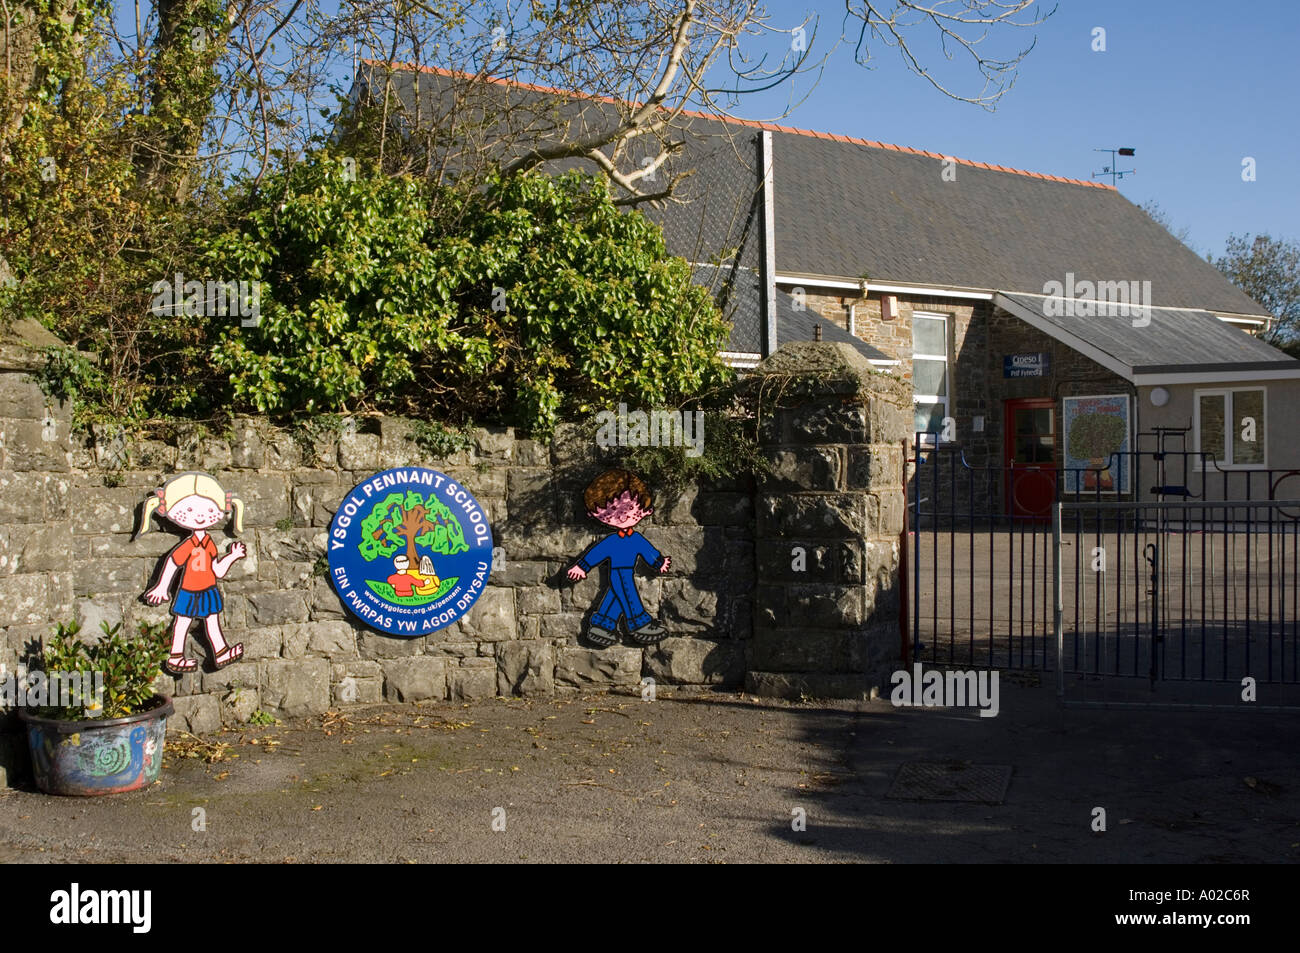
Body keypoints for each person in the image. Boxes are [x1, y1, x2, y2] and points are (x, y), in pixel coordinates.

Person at [139, 472, 247, 674]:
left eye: (208, 509)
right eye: (189, 509)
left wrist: (232, 557)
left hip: (208, 588)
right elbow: (172, 562)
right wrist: (162, 587)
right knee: (182, 622)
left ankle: (221, 651)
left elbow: (217, 570)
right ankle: (176, 655)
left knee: (212, 620)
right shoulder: (188, 544)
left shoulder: (208, 544)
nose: (199, 515)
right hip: (189, 589)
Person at [566, 469, 671, 647]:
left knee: (616, 595)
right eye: (613, 511)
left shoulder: (636, 538)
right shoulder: (612, 541)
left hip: (625, 572)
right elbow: (595, 553)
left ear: (645, 510)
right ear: (595, 515)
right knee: (628, 593)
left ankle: (601, 625)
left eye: (629, 508)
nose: (622, 516)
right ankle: (640, 624)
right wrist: (581, 566)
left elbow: (648, 551)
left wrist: (659, 562)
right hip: (619, 573)